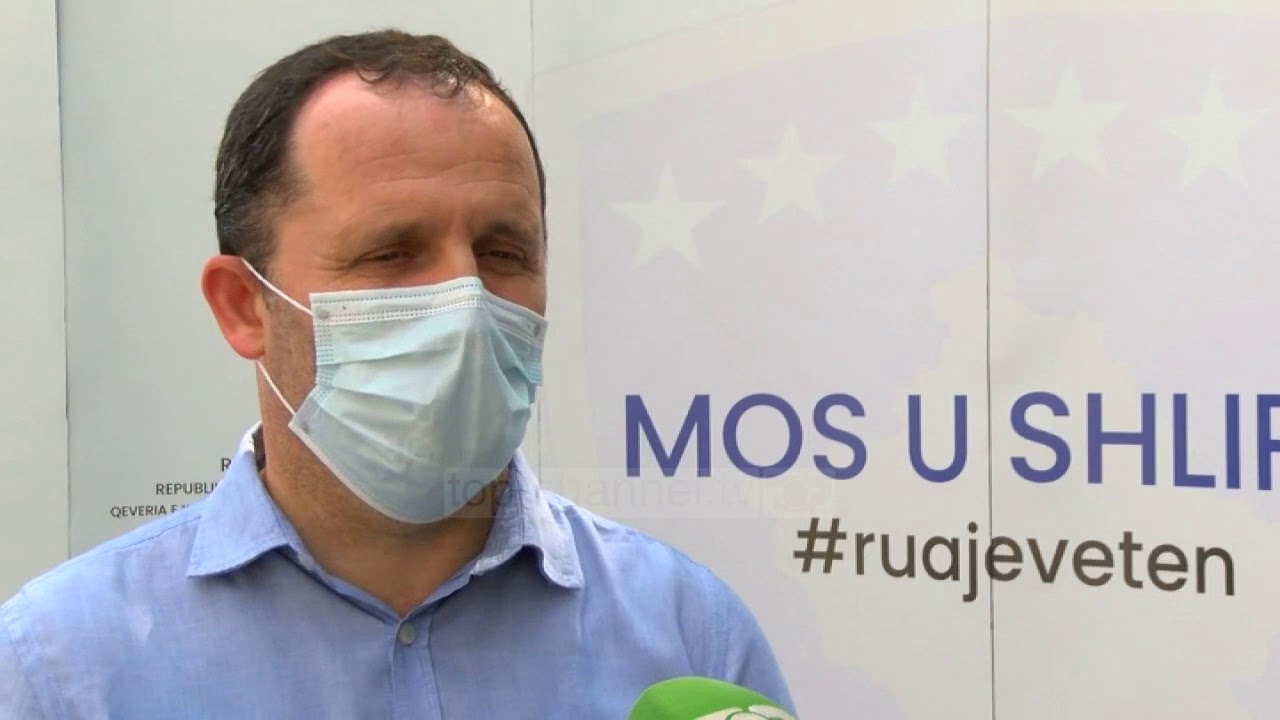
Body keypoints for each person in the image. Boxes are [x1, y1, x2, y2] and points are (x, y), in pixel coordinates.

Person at [0, 30, 794, 718]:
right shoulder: (62, 667)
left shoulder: (688, 635)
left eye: (503, 252)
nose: (468, 301)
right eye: (391, 253)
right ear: (244, 306)